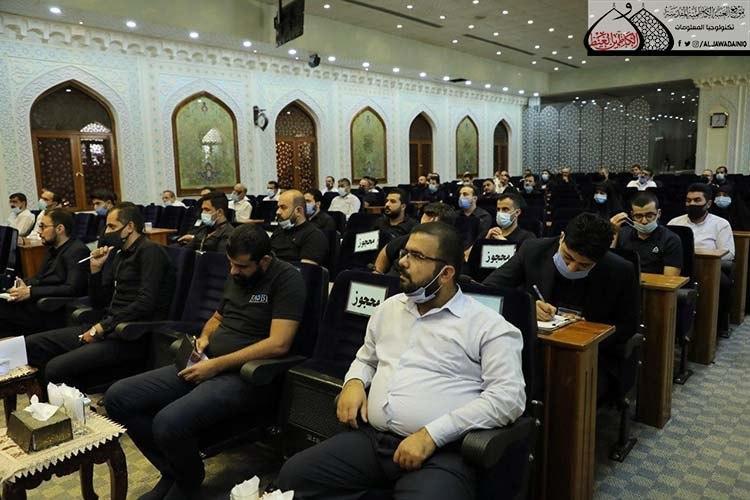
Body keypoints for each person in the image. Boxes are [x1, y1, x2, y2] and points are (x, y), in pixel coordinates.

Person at [277, 222, 525, 500]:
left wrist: (432, 434)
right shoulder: (388, 309)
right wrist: (354, 382)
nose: (402, 262)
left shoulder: (489, 326)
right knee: (293, 477)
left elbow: (508, 398)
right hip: (373, 440)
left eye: (417, 256)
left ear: (446, 273)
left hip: (440, 452)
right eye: (405, 252)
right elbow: (366, 358)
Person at [106, 224, 305, 500]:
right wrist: (204, 338)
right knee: (118, 398)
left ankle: (186, 481)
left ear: (265, 261)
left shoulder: (287, 279)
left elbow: (279, 343)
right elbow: (217, 317)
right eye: (230, 264)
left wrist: (216, 364)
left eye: (241, 266)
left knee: (168, 422)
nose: (233, 271)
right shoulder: (238, 274)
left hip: (245, 376)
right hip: (207, 362)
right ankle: (176, 471)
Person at [26, 204, 176, 387]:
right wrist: (96, 270)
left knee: (55, 369)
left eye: (112, 227)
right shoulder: (120, 255)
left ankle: (75, 402)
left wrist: (102, 327)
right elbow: (99, 302)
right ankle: (48, 401)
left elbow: (145, 303)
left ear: (130, 227)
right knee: (33, 344)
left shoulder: (150, 251)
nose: (106, 232)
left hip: (129, 335)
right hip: (106, 326)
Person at [483, 212, 637, 350]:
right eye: (568, 257)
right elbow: (488, 290)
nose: (571, 268)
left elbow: (629, 326)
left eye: (584, 265)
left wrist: (590, 330)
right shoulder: (533, 250)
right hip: (533, 346)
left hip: (592, 354)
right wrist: (527, 307)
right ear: (562, 237)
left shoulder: (620, 270)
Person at [0, 209, 88, 337]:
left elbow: (72, 288)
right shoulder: (52, 249)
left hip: (52, 308)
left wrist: (31, 292)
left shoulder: (77, 251)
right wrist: (21, 285)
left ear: (60, 229)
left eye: (43, 227)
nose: (39, 232)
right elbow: (40, 278)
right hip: (36, 302)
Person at [668, 183, 735, 335]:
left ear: (708, 203)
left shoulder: (721, 224)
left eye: (697, 200)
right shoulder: (674, 222)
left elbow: (730, 254)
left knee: (723, 283)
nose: (692, 204)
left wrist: (700, 253)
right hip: (679, 267)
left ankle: (718, 325)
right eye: (688, 200)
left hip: (709, 269)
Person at [610, 191, 683, 275]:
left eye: (649, 216)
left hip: (656, 283)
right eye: (638, 216)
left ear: (658, 213)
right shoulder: (622, 233)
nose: (644, 221)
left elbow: (670, 279)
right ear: (632, 215)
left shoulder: (671, 239)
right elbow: (608, 264)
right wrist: (613, 232)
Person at [374, 203, 457, 275]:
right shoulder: (410, 238)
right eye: (426, 216)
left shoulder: (450, 249)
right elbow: (386, 251)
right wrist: (378, 272)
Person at [271, 189, 329, 265]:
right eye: (278, 207)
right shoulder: (279, 231)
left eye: (283, 207)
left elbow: (306, 270)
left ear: (298, 210)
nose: (278, 212)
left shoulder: (314, 235)